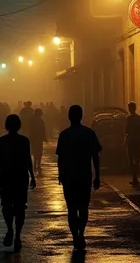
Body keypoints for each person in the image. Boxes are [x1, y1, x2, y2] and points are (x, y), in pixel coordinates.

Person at [56, 105, 102, 250]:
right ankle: (80, 233)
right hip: (84, 176)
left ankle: (75, 236)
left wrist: (60, 173)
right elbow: (95, 156)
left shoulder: (64, 135)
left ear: (69, 117)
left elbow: (60, 158)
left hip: (69, 177)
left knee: (71, 208)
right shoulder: (89, 133)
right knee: (83, 207)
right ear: (81, 116)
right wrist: (97, 175)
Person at [0, 114, 36, 253]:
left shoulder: (1, 141)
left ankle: (10, 230)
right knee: (20, 207)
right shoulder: (24, 141)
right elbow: (28, 159)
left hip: (5, 177)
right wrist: (32, 175)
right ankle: (17, 236)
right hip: (20, 177)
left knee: (6, 205)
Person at [124, 101, 140, 187]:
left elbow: (126, 130)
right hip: (137, 141)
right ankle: (135, 177)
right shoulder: (139, 118)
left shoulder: (128, 118)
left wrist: (125, 139)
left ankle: (134, 177)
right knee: (136, 159)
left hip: (132, 141)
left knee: (132, 159)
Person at [30, 108, 47, 173]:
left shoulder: (40, 120)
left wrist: (44, 137)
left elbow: (43, 130)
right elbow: (31, 129)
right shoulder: (38, 120)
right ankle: (36, 164)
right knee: (36, 152)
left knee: (38, 152)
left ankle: (37, 164)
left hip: (38, 138)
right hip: (36, 138)